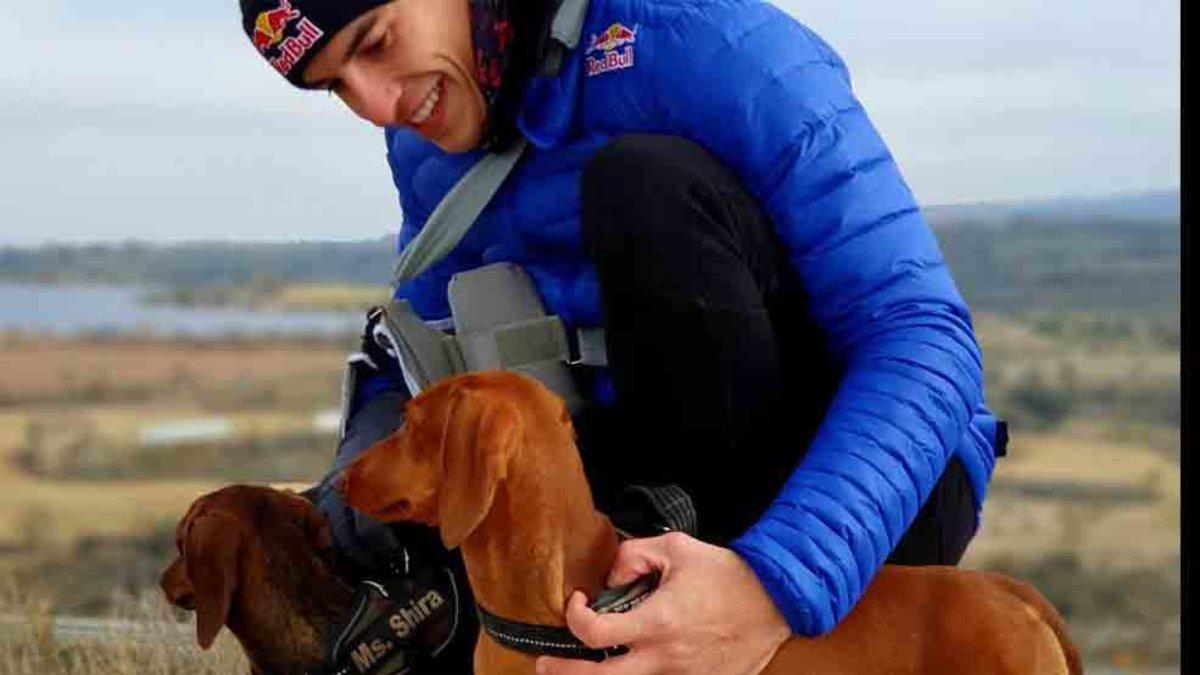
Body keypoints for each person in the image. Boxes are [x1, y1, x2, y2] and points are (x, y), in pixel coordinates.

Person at [237, 0, 1008, 672]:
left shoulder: (707, 43)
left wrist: (774, 581)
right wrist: (340, 528)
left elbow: (924, 341)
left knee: (641, 186)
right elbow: (432, 341)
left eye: (374, 42)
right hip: (636, 498)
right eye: (335, 84)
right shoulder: (426, 128)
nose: (376, 105)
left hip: (858, 493)